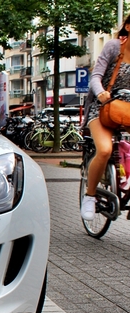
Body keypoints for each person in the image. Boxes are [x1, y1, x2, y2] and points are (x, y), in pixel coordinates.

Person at [81, 14, 130, 221]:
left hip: (127, 110)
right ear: (128, 27)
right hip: (102, 108)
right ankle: (90, 195)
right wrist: (101, 93)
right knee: (104, 150)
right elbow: (96, 76)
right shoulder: (113, 47)